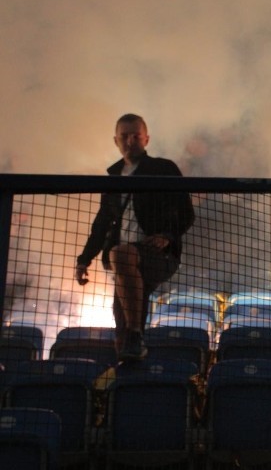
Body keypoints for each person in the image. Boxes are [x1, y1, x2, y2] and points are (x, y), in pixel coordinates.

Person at [75, 114, 195, 361]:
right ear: (116, 140)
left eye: (136, 136)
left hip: (157, 254)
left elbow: (186, 212)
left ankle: (135, 334)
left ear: (146, 139)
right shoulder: (114, 177)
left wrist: (167, 236)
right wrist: (84, 259)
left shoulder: (164, 169)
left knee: (120, 254)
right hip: (125, 261)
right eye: (124, 136)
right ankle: (131, 360)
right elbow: (102, 224)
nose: (130, 140)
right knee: (121, 323)